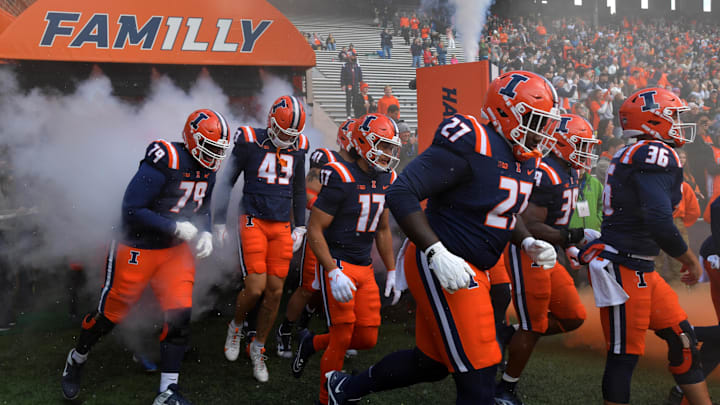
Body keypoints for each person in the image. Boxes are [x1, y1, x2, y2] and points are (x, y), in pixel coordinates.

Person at [323, 71, 560, 405]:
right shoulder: (473, 141)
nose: (541, 132)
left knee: (431, 363)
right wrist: (435, 251)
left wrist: (525, 241)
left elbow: (505, 208)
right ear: (506, 112)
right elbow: (401, 191)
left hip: (475, 265)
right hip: (444, 261)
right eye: (535, 120)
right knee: (479, 374)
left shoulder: (525, 158)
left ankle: (345, 389)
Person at [60, 109, 231, 404]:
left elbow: (202, 209)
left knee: (179, 317)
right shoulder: (165, 158)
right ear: (193, 139)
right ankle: (77, 357)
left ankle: (168, 391)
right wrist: (174, 226)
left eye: (219, 149)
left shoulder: (208, 170)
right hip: (136, 248)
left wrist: (204, 232)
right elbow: (131, 209)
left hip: (174, 253)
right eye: (211, 146)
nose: (215, 155)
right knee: (109, 316)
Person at [576, 87, 712, 405]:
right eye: (674, 117)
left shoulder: (632, 152)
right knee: (624, 357)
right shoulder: (654, 152)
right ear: (653, 121)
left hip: (641, 267)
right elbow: (659, 220)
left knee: (683, 339)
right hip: (625, 267)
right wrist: (689, 258)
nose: (679, 124)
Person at [292, 114, 400, 405]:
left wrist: (391, 270)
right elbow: (315, 229)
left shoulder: (387, 178)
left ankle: (310, 342)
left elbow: (383, 228)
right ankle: (326, 398)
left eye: (391, 147)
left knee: (366, 338)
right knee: (341, 335)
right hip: (339, 263)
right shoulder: (340, 175)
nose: (389, 154)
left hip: (364, 266)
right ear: (363, 143)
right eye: (383, 146)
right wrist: (331, 270)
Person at [496, 114, 601, 404]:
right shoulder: (546, 172)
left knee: (573, 316)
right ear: (561, 142)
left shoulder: (569, 171)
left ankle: (506, 336)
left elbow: (558, 219)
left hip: (547, 251)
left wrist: (570, 246)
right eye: (580, 144)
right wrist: (573, 237)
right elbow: (528, 224)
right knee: (535, 325)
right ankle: (505, 389)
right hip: (527, 250)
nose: (586, 152)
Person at [217, 96, 309, 383]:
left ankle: (257, 347)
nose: (287, 140)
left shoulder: (298, 148)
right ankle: (237, 325)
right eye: (283, 133)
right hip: (252, 219)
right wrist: (219, 220)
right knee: (255, 288)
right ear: (270, 122)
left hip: (281, 224)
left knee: (275, 293)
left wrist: (301, 226)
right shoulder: (249, 141)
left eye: (292, 135)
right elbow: (226, 182)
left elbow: (298, 189)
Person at [275, 118, 357, 358]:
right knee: (309, 286)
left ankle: (310, 328)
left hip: (346, 237)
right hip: (322, 232)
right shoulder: (326, 160)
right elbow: (306, 196)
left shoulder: (366, 167)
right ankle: (286, 331)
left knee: (342, 286)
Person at [654, 149, 701, 284]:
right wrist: (681, 222)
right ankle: (680, 295)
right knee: (679, 263)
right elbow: (694, 211)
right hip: (676, 222)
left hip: (657, 222)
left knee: (656, 262)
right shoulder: (684, 185)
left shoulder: (654, 184)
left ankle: (655, 292)